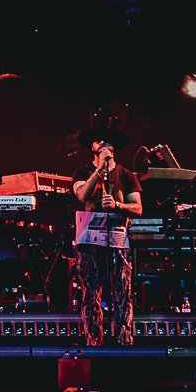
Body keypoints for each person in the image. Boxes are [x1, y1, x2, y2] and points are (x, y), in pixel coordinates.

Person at [73, 127, 143, 347]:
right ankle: (94, 342)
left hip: (117, 238)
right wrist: (99, 170)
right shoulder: (82, 172)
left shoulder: (126, 175)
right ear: (92, 147)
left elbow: (138, 207)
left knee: (122, 289)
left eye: (108, 141)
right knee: (91, 291)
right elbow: (82, 195)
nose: (103, 144)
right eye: (98, 141)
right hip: (89, 240)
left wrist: (118, 205)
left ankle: (124, 340)